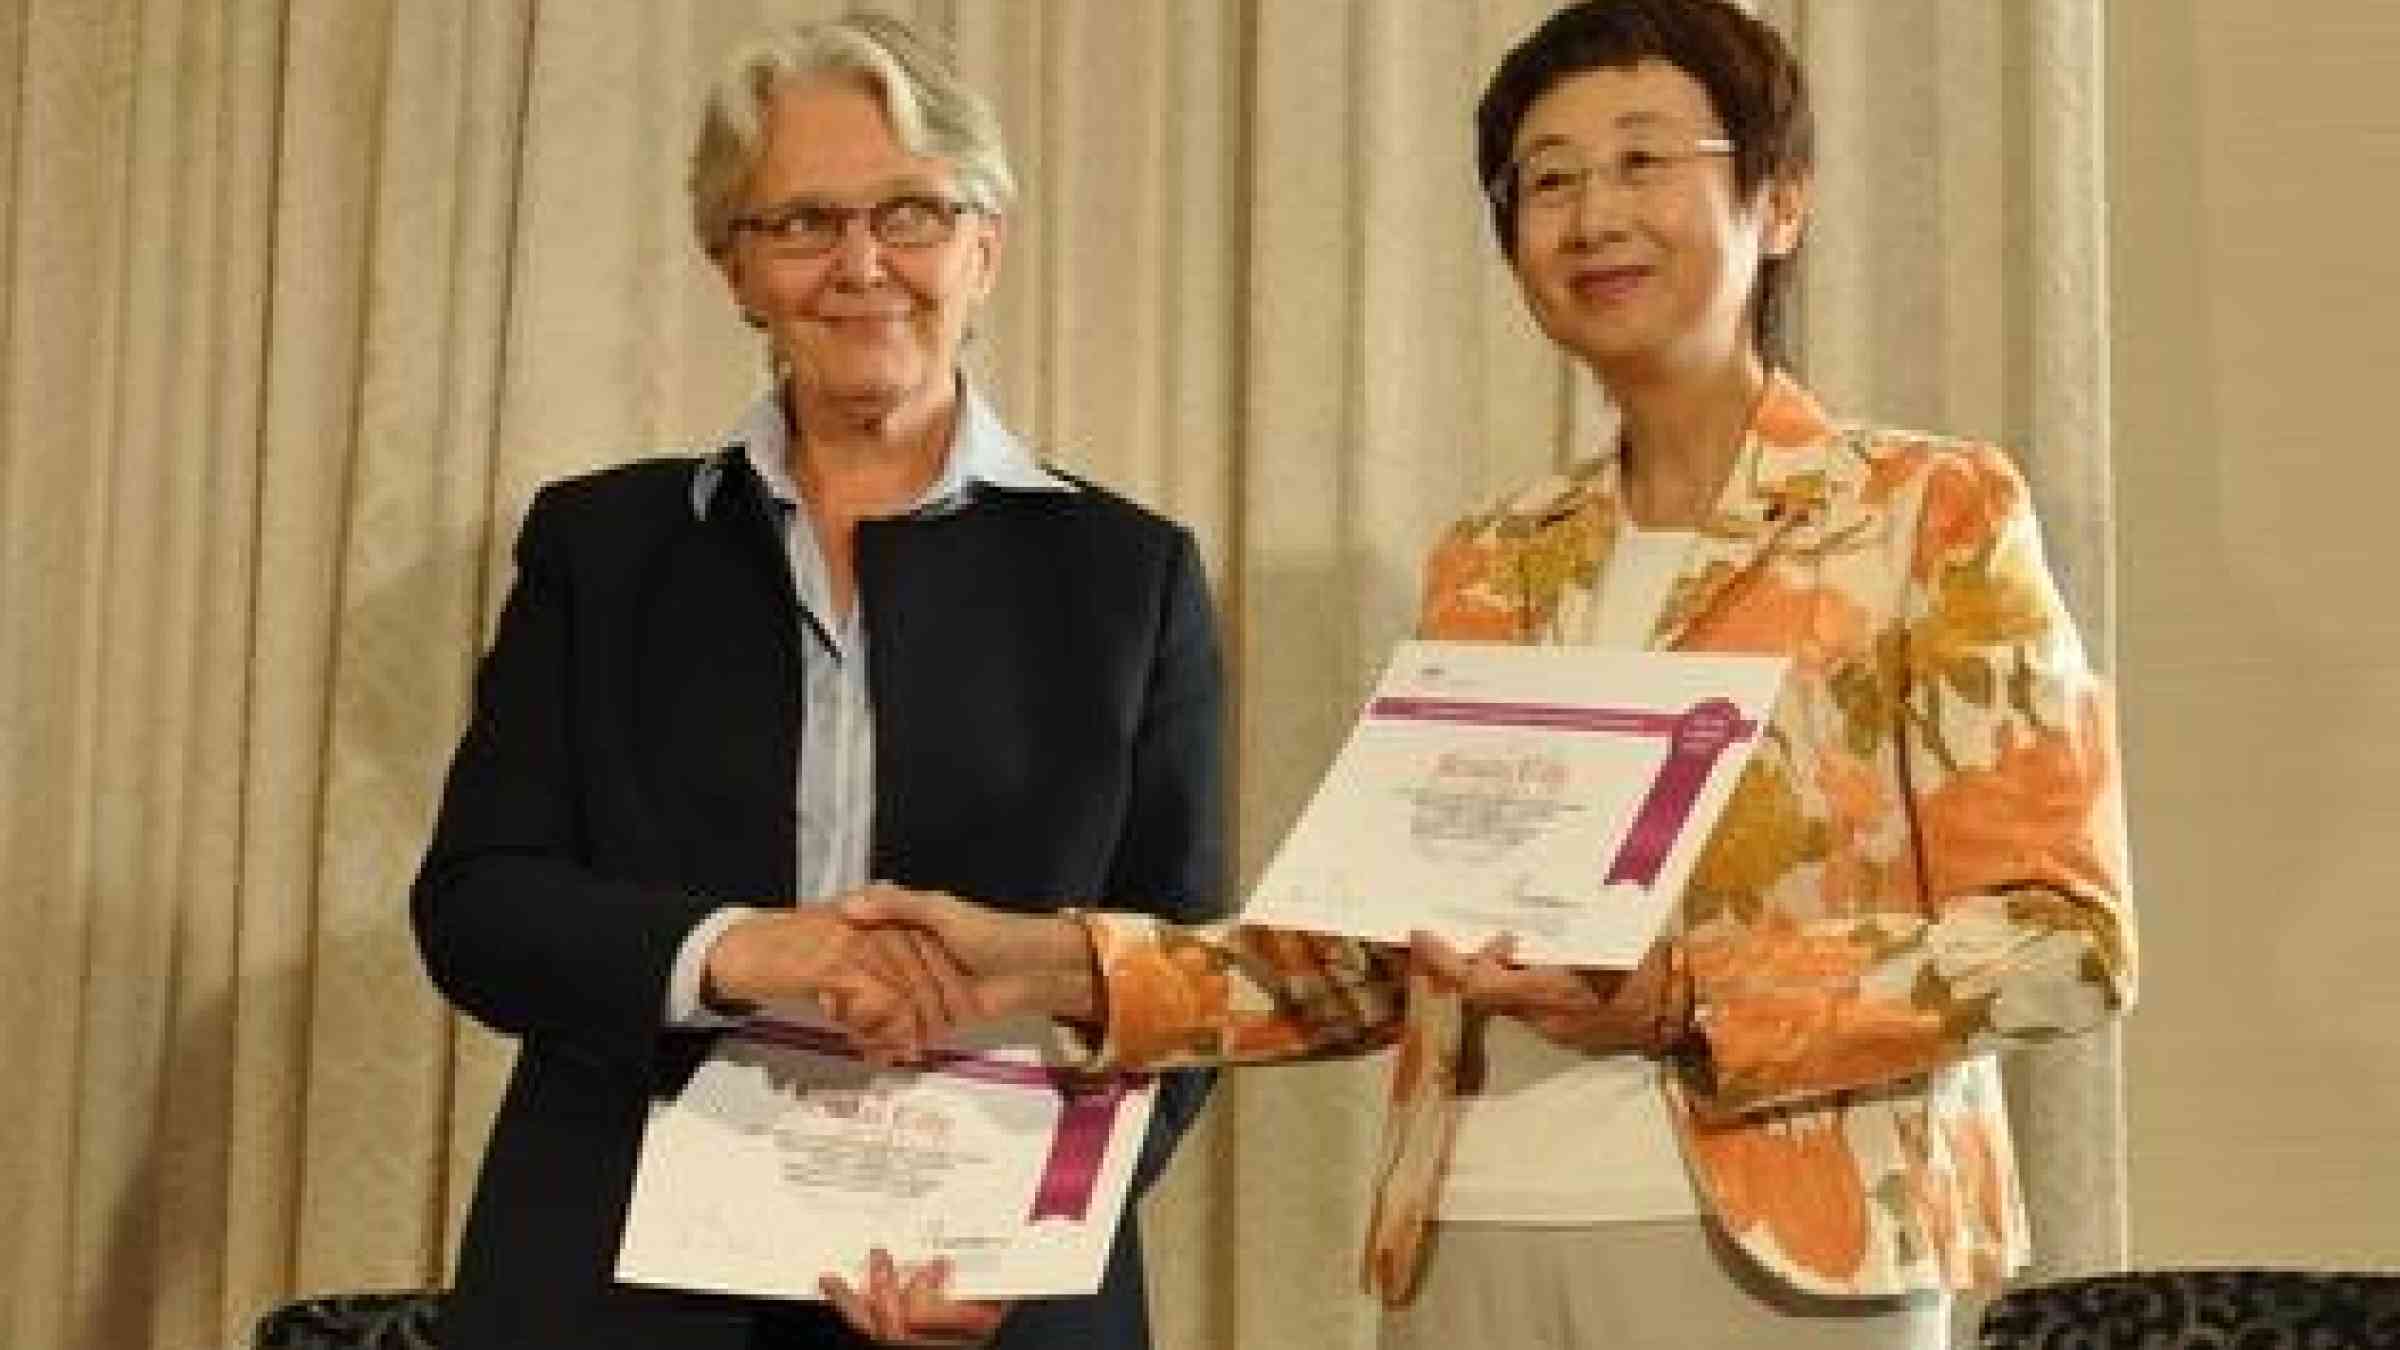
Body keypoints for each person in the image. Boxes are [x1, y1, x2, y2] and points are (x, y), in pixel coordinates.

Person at [831, 2, 2136, 1347]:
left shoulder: (1928, 508)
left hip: (1783, 1264)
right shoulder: (1496, 556)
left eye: (1643, 160)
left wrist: (1690, 994)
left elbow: (2068, 939)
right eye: (1547, 179)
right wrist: (1047, 963)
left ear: (1780, 199)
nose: (1590, 213)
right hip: (1467, 1241)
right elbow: (1366, 959)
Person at [409, 13, 1224, 1349]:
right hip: (621, 1289)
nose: (861, 266)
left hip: (988, 1288)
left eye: (910, 211)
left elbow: (1181, 974)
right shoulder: (601, 548)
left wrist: (1033, 1236)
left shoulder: (1132, 574)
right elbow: (478, 903)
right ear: (735, 268)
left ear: (984, 245)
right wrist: (736, 949)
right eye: (800, 223)